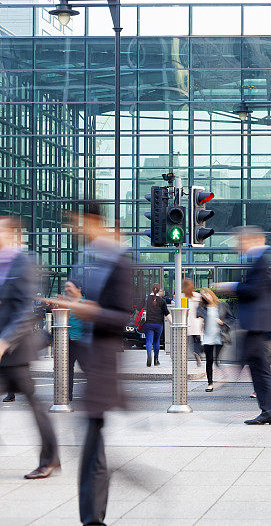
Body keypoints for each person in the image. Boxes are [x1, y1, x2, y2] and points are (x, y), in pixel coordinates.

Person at [49, 202, 131, 525]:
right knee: (92, 442)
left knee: (92, 445)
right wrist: (75, 302)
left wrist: (84, 309)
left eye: (78, 222)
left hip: (105, 362)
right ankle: (93, 517)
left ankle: (93, 519)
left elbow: (120, 315)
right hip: (94, 360)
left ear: (94, 221)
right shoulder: (91, 258)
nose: (75, 228)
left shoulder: (117, 261)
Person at [0, 217, 60, 480]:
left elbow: (25, 310)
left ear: (13, 235)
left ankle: (50, 458)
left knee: (34, 404)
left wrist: (5, 341)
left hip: (15, 349)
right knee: (33, 403)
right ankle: (52, 458)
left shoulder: (23, 262)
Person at [216, 226, 271, 425]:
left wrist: (232, 286)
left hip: (257, 324)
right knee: (258, 368)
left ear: (253, 239)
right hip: (257, 324)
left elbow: (254, 290)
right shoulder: (259, 261)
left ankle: (268, 410)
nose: (238, 245)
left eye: (240, 241)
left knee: (258, 367)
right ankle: (269, 411)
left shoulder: (261, 261)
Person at [196, 289, 234, 392]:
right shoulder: (202, 307)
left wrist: (222, 322)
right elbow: (196, 315)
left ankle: (225, 377)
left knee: (217, 360)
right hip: (207, 337)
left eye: (206, 294)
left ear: (211, 294)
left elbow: (231, 318)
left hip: (219, 336)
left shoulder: (222, 305)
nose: (205, 296)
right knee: (209, 361)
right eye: (203, 295)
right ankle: (210, 383)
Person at [65, 278, 87, 402]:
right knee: (67, 369)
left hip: (82, 342)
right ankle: (68, 396)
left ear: (78, 289)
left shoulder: (85, 303)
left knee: (86, 368)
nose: (67, 289)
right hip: (69, 340)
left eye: (69, 286)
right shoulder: (67, 302)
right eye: (66, 286)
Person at [141, 283, 170, 367]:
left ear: (151, 289)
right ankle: (156, 360)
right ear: (158, 290)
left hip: (148, 323)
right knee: (156, 341)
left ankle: (148, 356)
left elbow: (139, 309)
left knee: (149, 341)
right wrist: (173, 323)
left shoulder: (146, 299)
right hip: (158, 324)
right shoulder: (162, 301)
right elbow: (167, 313)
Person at [183, 279, 204, 367]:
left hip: (187, 321)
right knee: (197, 340)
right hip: (197, 321)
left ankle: (187, 356)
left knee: (187, 341)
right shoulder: (197, 296)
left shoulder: (182, 296)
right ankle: (197, 352)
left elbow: (183, 310)